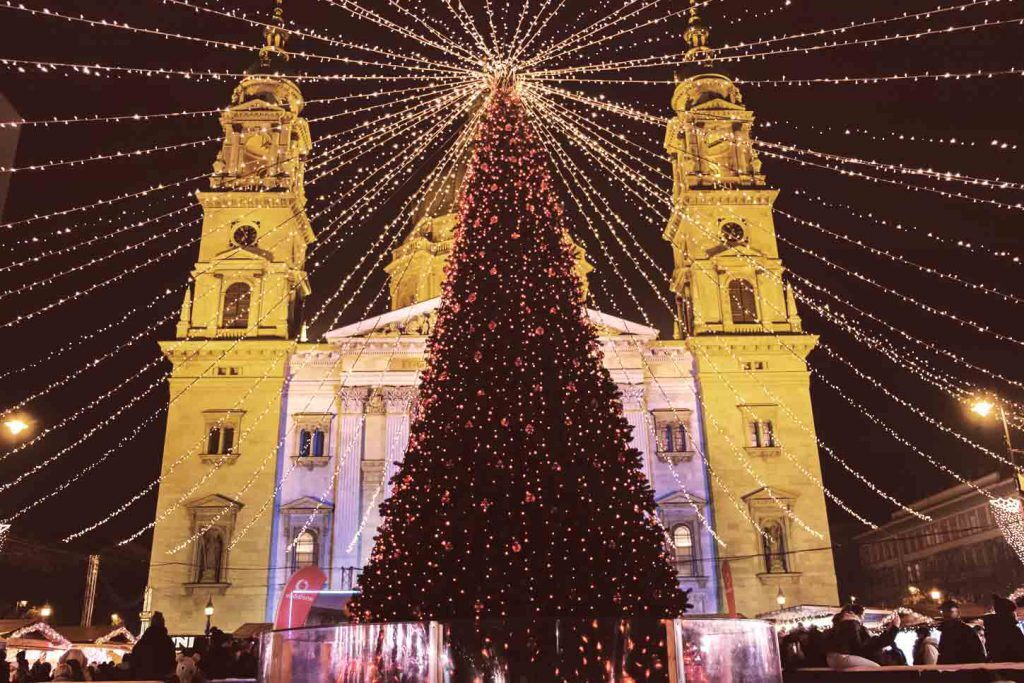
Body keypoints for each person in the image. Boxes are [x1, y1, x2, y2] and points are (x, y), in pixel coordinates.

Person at [825, 604, 900, 670]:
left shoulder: (838, 626)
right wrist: (894, 628)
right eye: (863, 615)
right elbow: (862, 647)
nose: (863, 619)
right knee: (876, 669)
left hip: (834, 659)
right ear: (855, 614)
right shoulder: (852, 624)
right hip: (844, 658)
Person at [130, 611, 176, 680]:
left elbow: (134, 659)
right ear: (163, 623)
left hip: (143, 678)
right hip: (161, 678)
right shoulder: (168, 642)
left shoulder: (143, 641)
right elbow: (172, 662)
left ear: (152, 623)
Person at [936, 600, 985, 665]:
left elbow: (977, 653)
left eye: (949, 611)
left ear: (958, 613)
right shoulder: (945, 631)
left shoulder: (966, 631)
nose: (946, 614)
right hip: (948, 671)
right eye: (943, 611)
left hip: (963, 670)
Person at [983, 594, 1024, 663]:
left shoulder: (991, 628)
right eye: (1013, 612)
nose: (1015, 615)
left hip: (999, 666)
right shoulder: (1012, 630)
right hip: (1015, 667)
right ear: (1008, 613)